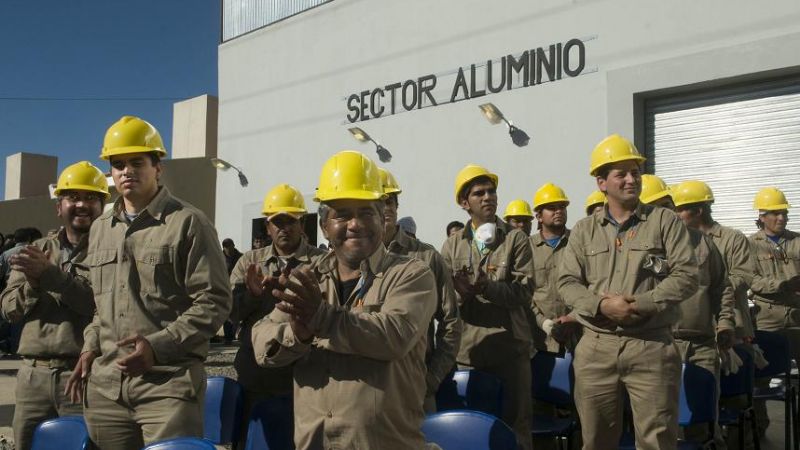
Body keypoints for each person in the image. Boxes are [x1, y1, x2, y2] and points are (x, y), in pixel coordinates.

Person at [65, 116, 232, 449]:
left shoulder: (188, 223)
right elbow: (103, 307)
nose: (127, 171)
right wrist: (90, 347)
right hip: (107, 390)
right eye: (118, 164)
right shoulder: (101, 228)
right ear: (110, 174)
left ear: (158, 167)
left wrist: (158, 346)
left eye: (137, 162)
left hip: (167, 386)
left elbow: (215, 301)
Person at [251, 150, 437, 449]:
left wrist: (322, 318)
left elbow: (394, 335)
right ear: (325, 226)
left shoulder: (411, 274)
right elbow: (262, 342)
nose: (355, 224)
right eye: (342, 214)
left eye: (366, 212)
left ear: (382, 219)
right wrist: (298, 333)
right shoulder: (307, 277)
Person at [558, 134, 698, 450]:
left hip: (650, 345)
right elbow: (567, 282)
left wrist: (639, 304)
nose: (631, 179)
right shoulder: (583, 230)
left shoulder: (663, 221)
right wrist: (600, 306)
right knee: (596, 440)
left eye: (635, 171)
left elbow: (688, 274)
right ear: (601, 182)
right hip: (596, 347)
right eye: (621, 173)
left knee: (657, 441)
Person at [0, 162, 108, 450]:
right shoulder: (35, 251)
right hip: (33, 376)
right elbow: (9, 309)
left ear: (103, 206)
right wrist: (34, 283)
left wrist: (51, 276)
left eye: (91, 197)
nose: (82, 204)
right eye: (72, 197)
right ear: (59, 206)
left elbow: (101, 306)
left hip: (84, 375)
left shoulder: (112, 252)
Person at [440, 164, 534, 450]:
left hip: (510, 352)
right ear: (464, 203)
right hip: (469, 354)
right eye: (479, 193)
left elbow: (524, 291)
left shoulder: (516, 239)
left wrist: (487, 287)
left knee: (515, 431)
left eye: (491, 191)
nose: (488, 197)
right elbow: (441, 300)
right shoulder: (452, 246)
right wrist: (461, 295)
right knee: (473, 431)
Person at [230, 183, 326, 443]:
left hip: (304, 372)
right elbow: (231, 313)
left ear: (302, 224)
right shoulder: (248, 262)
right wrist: (253, 295)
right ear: (267, 227)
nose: (284, 228)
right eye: (277, 222)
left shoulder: (321, 263)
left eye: (291, 221)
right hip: (256, 372)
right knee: (254, 440)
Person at [652, 178, 738, 448]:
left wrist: (725, 323)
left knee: (705, 424)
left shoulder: (701, 242)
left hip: (701, 344)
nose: (666, 213)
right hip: (659, 344)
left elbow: (721, 287)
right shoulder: (640, 247)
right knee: (663, 424)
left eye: (669, 205)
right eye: (657, 207)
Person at [379, 167, 461, 412]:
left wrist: (432, 378)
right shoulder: (354, 259)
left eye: (390, 201)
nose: (386, 209)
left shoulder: (426, 257)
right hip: (369, 387)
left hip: (415, 385)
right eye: (378, 202)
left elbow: (451, 322)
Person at [748, 186, 800, 434]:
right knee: (760, 375)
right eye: (774, 213)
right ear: (761, 216)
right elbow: (751, 281)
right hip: (767, 317)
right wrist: (783, 284)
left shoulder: (797, 241)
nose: (781, 218)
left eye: (784, 213)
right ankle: (759, 426)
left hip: (798, 315)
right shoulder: (749, 245)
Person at [529, 183, 579, 355]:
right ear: (539, 216)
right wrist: (544, 323)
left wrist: (574, 318)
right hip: (539, 341)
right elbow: (523, 293)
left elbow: (592, 284)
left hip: (578, 336)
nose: (558, 211)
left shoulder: (579, 242)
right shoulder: (527, 248)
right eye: (551, 208)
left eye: (562, 207)